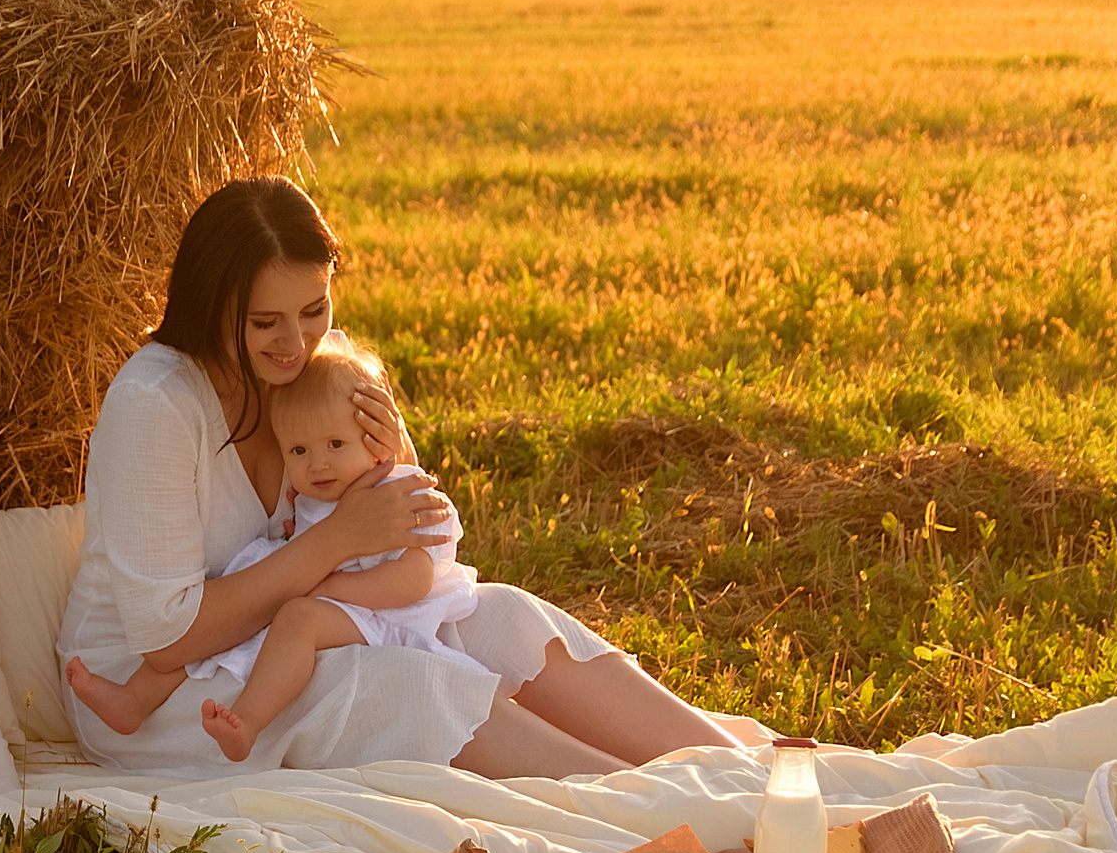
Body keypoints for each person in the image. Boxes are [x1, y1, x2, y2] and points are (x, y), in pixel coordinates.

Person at [55, 175, 743, 779]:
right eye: (265, 322)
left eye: (313, 310)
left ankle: (738, 770)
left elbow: (411, 533)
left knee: (499, 614)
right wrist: (331, 546)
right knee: (409, 681)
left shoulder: (312, 373)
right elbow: (168, 637)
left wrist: (392, 457)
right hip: (171, 695)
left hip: (300, 625)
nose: (297, 344)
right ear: (212, 307)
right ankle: (659, 805)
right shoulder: (156, 403)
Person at [67, 335, 486, 761]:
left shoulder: (395, 491)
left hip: (376, 610)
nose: (317, 463)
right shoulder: (309, 493)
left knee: (297, 618)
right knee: (226, 616)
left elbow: (414, 579)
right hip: (316, 600)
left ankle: (247, 718)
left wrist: (326, 585)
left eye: (335, 446)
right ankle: (136, 699)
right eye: (298, 451)